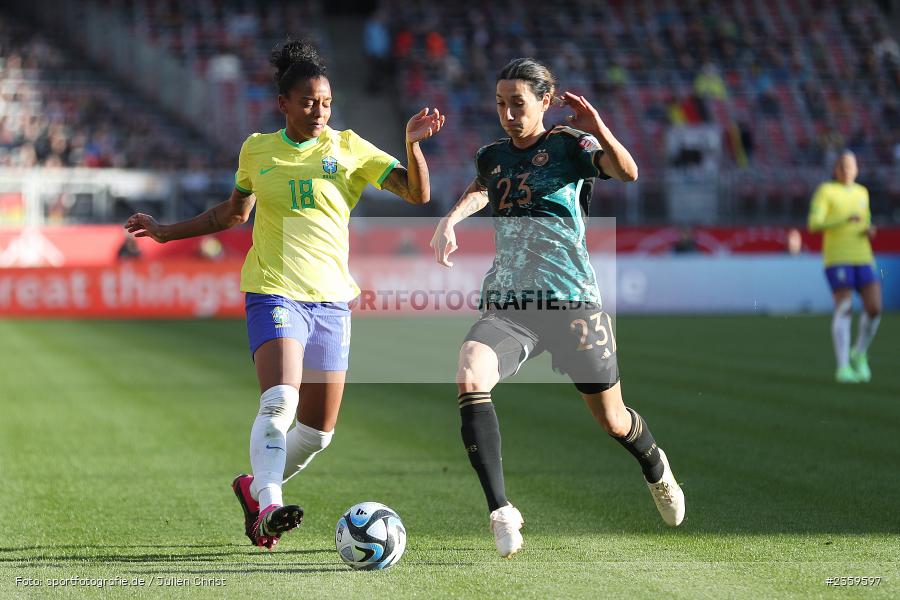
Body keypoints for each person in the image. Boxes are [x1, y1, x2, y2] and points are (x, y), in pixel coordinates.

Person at [125, 39, 444, 550]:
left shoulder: (348, 147)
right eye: (309, 102)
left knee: (317, 433)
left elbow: (417, 193)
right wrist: (166, 232)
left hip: (332, 301)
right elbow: (231, 215)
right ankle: (270, 506)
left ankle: (253, 489)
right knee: (279, 401)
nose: (319, 111)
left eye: (326, 103)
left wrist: (413, 144)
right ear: (284, 105)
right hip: (274, 292)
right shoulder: (257, 150)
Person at [429, 58, 684, 558]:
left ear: (545, 101)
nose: (507, 112)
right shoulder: (492, 155)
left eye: (517, 103)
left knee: (612, 421)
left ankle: (656, 466)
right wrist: (450, 219)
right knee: (468, 375)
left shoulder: (570, 145)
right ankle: (502, 511)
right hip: (510, 305)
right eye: (500, 103)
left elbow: (626, 172)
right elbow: (482, 188)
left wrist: (600, 130)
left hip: (572, 303)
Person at [807, 150, 881, 383]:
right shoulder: (826, 191)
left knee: (874, 308)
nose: (847, 169)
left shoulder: (862, 193)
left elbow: (864, 220)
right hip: (837, 257)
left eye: (851, 165)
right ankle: (842, 367)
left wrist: (869, 230)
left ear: (857, 169)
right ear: (835, 169)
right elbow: (813, 224)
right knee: (845, 306)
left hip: (863, 256)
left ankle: (859, 353)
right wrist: (843, 220)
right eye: (842, 165)